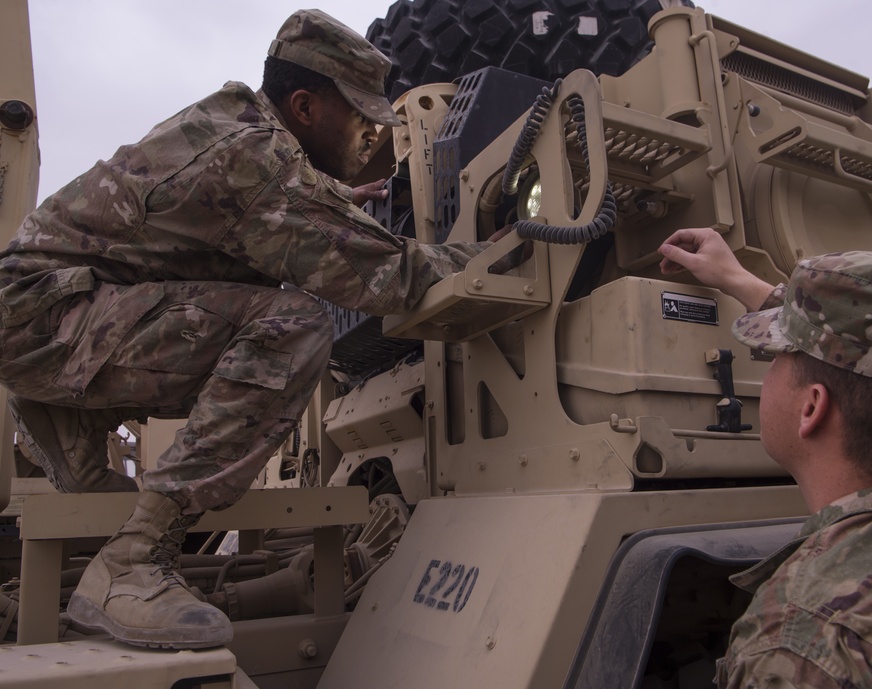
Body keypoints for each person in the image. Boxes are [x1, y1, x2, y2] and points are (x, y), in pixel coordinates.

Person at [0, 9, 502, 649]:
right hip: (47, 315)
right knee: (293, 328)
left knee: (259, 302)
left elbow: (207, 233)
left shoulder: (235, 127)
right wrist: (492, 253)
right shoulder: (255, 161)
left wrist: (325, 203)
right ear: (305, 105)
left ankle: (65, 414)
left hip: (44, 310)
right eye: (362, 121)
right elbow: (386, 277)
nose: (371, 138)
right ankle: (129, 565)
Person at [659, 228, 872, 689]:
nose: (769, 362)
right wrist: (740, 280)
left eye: (779, 352)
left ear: (812, 407)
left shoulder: (803, 648)